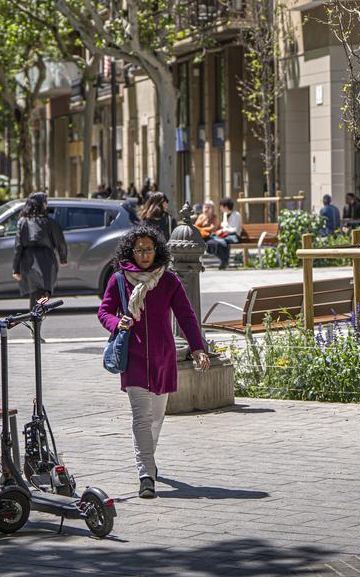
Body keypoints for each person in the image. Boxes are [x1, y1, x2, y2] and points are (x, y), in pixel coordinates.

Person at [97, 225, 210, 499]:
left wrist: (198, 348)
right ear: (131, 251)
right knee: (141, 418)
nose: (144, 255)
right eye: (139, 250)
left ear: (156, 250)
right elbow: (104, 311)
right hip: (134, 358)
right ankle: (146, 474)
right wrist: (117, 323)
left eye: (149, 249)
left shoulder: (169, 280)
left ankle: (148, 460)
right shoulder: (119, 280)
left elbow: (187, 316)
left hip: (162, 359)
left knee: (156, 419)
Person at [12, 192, 68, 311]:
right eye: (45, 202)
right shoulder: (49, 222)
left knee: (34, 292)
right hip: (46, 260)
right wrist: (63, 258)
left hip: (28, 261)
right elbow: (60, 241)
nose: (46, 205)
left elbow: (18, 246)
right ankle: (37, 314)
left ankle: (35, 314)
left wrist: (15, 268)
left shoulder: (22, 222)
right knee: (45, 292)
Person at [209, 197, 243, 269]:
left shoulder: (236, 215)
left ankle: (224, 261)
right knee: (212, 242)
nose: (220, 208)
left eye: (221, 206)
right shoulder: (225, 214)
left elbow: (235, 230)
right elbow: (224, 226)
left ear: (226, 207)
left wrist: (223, 230)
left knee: (221, 242)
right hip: (225, 236)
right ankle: (224, 260)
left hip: (235, 237)